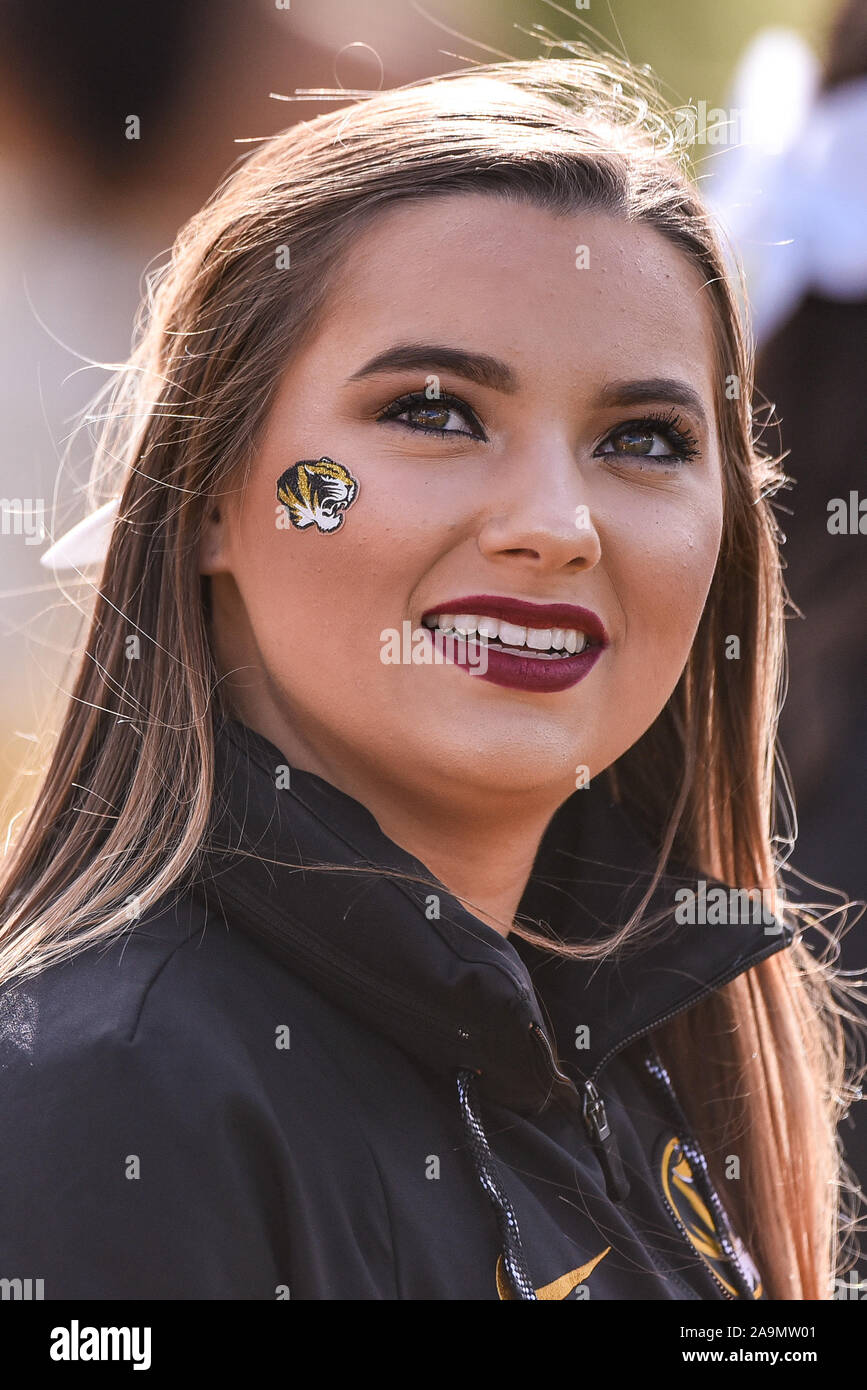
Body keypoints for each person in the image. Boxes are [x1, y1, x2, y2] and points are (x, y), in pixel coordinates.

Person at [0, 53, 862, 1302]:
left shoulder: (657, 1060)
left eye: (643, 439)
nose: (558, 524)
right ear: (206, 496)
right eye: (436, 410)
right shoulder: (101, 1095)